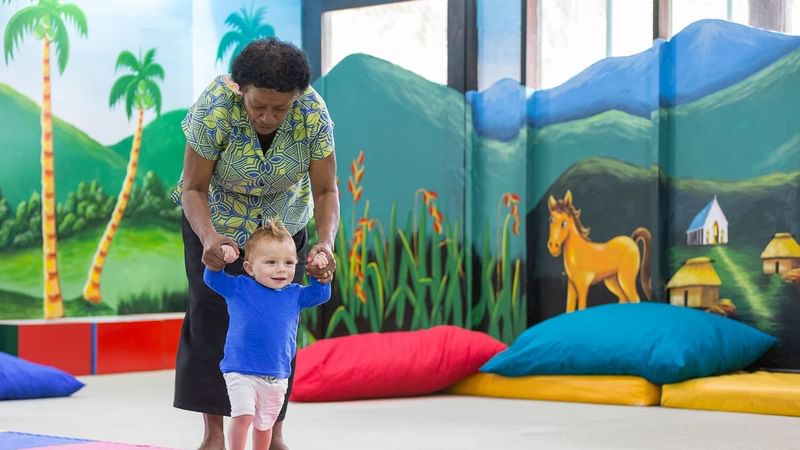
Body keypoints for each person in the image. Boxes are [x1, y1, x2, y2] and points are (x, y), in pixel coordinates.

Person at [172, 37, 339, 450]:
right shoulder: (214, 108)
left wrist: (324, 243)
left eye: (279, 108)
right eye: (257, 106)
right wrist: (210, 238)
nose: (268, 117)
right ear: (239, 89)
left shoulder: (313, 113)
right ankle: (214, 435)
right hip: (216, 225)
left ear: (295, 98)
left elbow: (326, 191)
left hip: (282, 230)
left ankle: (273, 433)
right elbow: (193, 186)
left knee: (277, 323)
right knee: (211, 322)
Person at [205, 219, 332, 450]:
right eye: (271, 262)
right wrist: (220, 259)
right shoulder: (239, 287)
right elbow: (211, 279)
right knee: (243, 416)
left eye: (289, 262)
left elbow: (320, 294)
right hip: (240, 370)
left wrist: (319, 273)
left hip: (276, 374)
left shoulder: (295, 294)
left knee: (265, 424)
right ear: (249, 267)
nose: (281, 269)